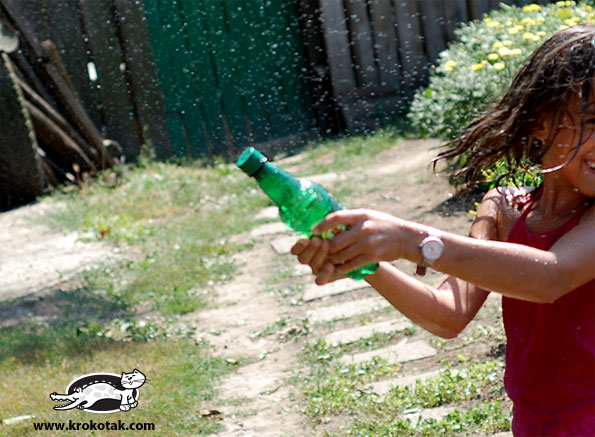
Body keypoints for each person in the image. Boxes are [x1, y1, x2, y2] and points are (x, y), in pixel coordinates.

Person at [291, 24, 595, 436]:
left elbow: (550, 276)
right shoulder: (507, 208)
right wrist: (363, 259)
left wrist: (408, 240)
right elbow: (447, 315)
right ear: (541, 122)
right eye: (593, 120)